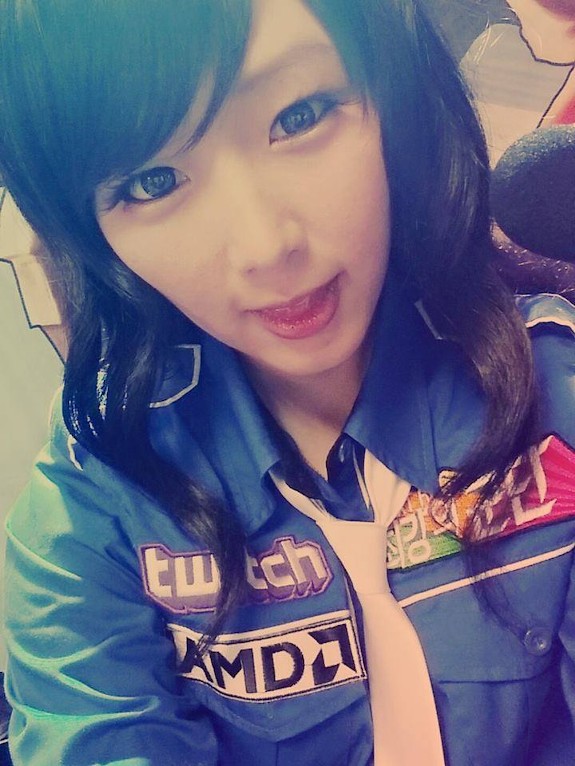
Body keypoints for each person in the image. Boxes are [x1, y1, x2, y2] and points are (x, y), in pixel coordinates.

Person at [0, 1, 574, 764]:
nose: (265, 247)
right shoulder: (96, 498)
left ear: (390, 98)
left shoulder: (555, 389)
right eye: (152, 181)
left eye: (298, 116)